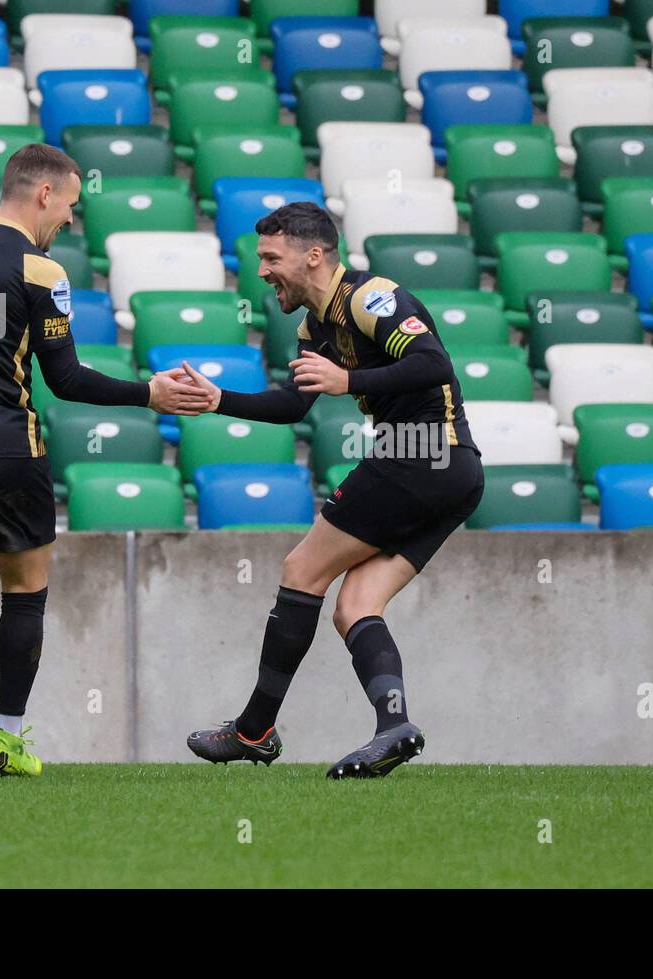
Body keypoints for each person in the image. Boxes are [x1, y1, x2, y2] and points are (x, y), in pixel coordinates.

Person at [0, 143, 188, 776]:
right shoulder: (40, 269)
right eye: (71, 204)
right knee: (24, 594)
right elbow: (68, 380)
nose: (71, 220)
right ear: (44, 193)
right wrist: (147, 393)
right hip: (3, 449)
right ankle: (7, 741)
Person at [175, 202, 484, 778]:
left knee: (301, 570)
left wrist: (350, 381)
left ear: (313, 255)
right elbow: (294, 404)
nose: (262, 271)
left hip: (420, 455)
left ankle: (253, 729)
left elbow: (434, 365)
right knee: (355, 607)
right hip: (455, 472)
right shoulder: (313, 327)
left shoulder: (370, 298)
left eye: (271, 257)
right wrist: (221, 400)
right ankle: (394, 725)